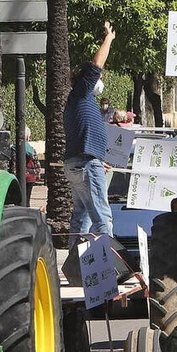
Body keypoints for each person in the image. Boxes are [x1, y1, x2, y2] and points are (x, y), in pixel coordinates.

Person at [63, 22, 116, 239]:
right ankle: (110, 267)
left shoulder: (79, 102)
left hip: (80, 162)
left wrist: (95, 158)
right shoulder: (81, 93)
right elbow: (97, 64)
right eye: (98, 78)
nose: (100, 80)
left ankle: (77, 267)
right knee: (102, 218)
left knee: (82, 216)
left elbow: (80, 134)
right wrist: (109, 39)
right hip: (85, 165)